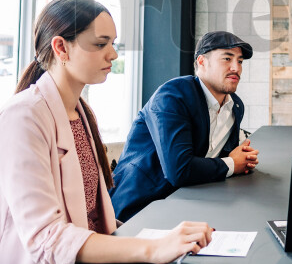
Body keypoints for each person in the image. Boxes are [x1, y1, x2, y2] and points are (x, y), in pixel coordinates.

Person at [0, 0, 212, 264]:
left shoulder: (78, 111)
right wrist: (152, 248)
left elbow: (90, 216)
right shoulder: (21, 118)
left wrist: (160, 238)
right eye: (100, 44)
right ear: (61, 48)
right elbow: (46, 239)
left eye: (113, 43)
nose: (114, 54)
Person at [110, 31, 260, 221]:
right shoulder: (172, 97)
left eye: (239, 61)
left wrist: (242, 158)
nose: (235, 68)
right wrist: (233, 163)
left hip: (189, 203)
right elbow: (178, 170)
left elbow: (219, 157)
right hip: (140, 209)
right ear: (201, 62)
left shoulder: (235, 106)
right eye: (227, 58)